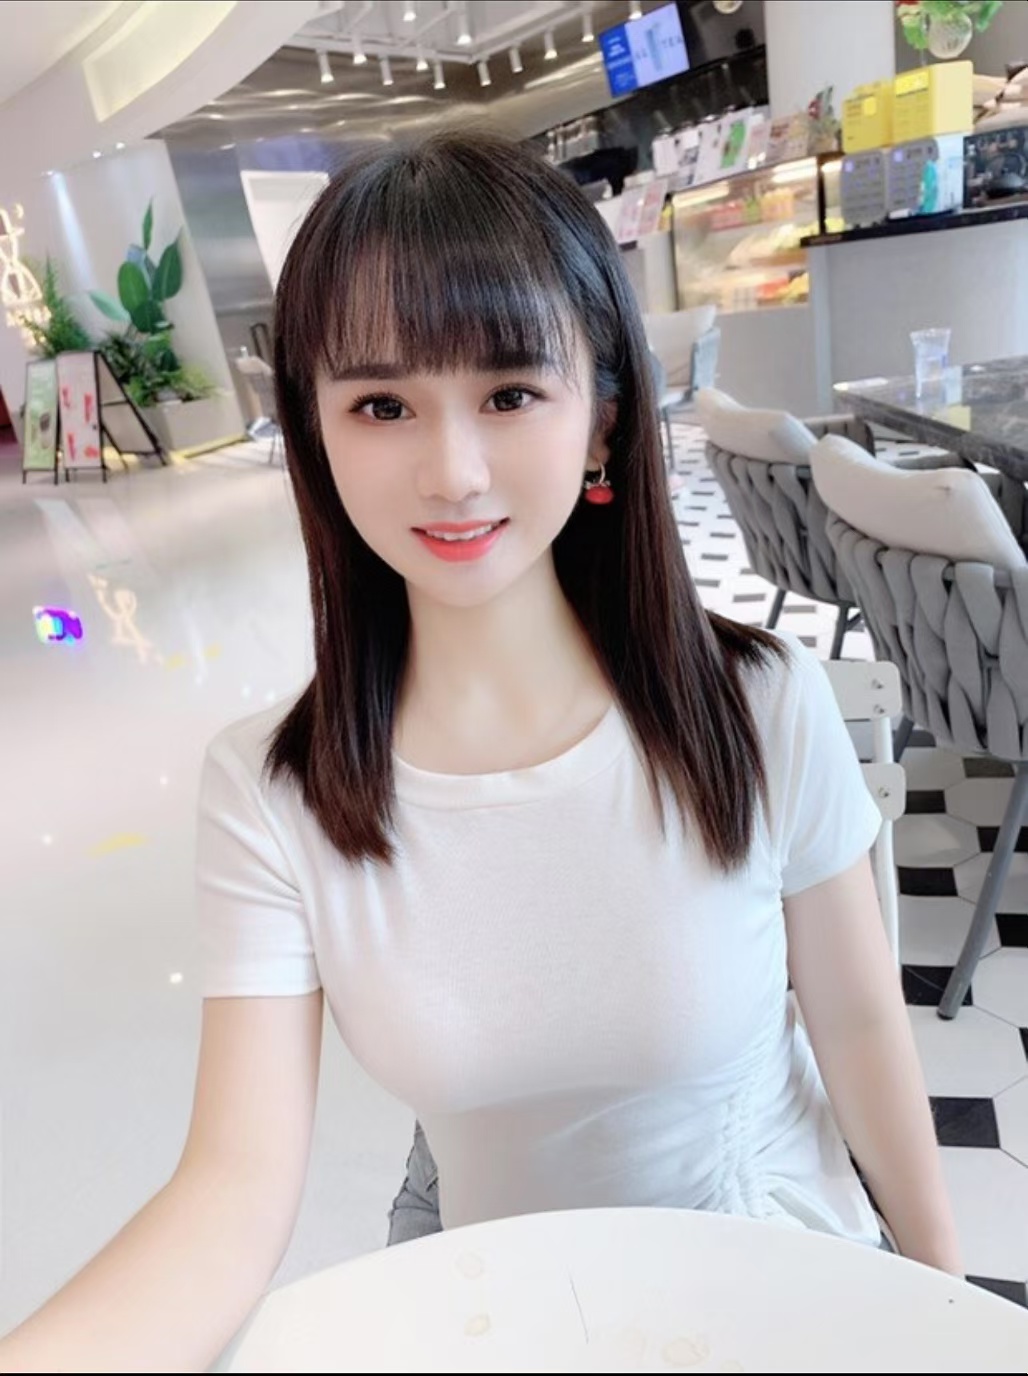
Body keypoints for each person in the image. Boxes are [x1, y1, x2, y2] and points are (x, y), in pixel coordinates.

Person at [0, 127, 961, 1373]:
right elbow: (231, 1185)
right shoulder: (273, 789)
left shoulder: (757, 705)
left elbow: (861, 1028)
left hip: (767, 1275)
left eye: (508, 394)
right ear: (314, 432)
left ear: (601, 420)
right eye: (381, 405)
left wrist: (946, 1306)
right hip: (487, 1297)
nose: (451, 473)